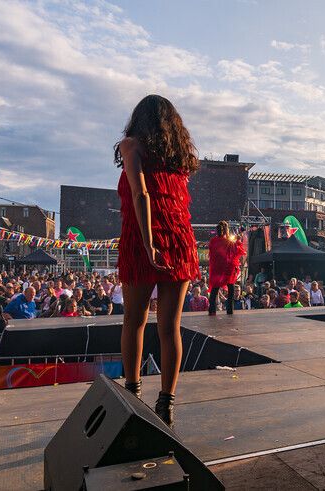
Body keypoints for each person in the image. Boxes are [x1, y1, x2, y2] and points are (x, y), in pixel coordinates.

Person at [115, 94, 201, 427]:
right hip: (180, 240)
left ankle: (132, 395)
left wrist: (150, 244)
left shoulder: (131, 146)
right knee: (169, 328)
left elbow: (141, 194)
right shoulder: (178, 158)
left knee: (134, 321)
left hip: (142, 240)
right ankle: (166, 403)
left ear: (138, 119)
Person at [207, 221, 246, 316]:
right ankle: (230, 311)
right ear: (226, 230)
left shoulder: (213, 241)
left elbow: (211, 254)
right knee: (231, 288)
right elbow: (238, 251)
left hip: (217, 267)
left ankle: (212, 310)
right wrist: (238, 240)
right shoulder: (229, 241)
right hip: (228, 267)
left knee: (214, 289)